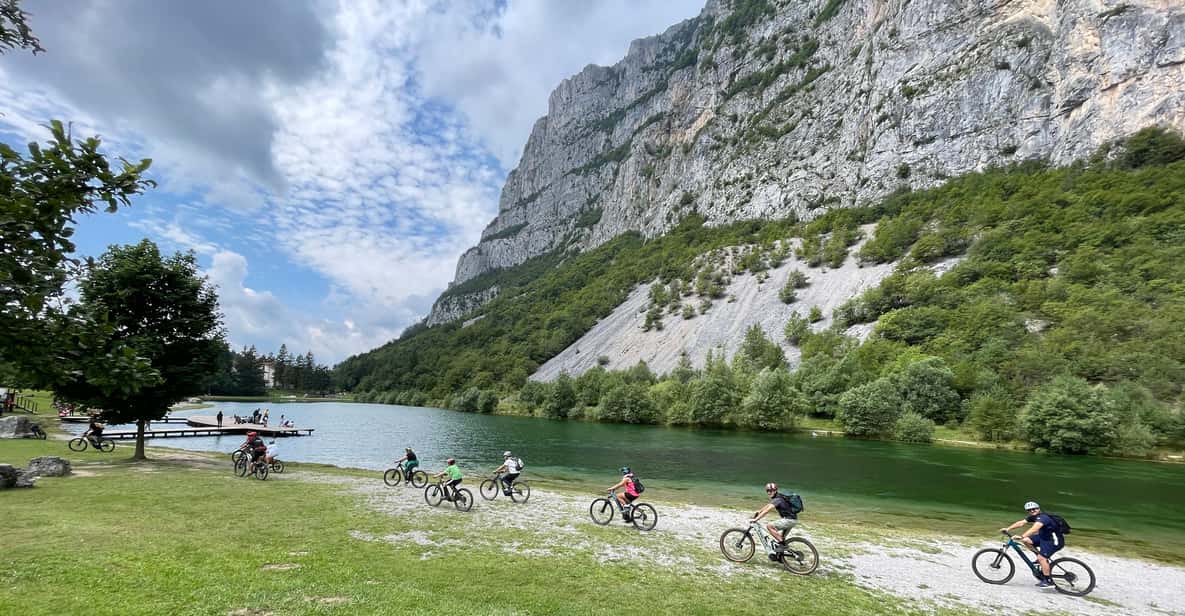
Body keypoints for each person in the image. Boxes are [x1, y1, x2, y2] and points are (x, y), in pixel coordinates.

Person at [1002, 501, 1063, 589]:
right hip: (1044, 538)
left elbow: (1034, 529)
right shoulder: (1034, 516)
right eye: (1029, 510)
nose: (1032, 511)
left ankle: (1048, 581)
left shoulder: (1043, 518)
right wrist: (1008, 529)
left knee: (1042, 558)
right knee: (1026, 540)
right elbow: (1021, 523)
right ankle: (1040, 558)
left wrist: (1021, 536)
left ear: (1038, 508)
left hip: (1054, 541)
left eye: (1034, 509)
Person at [752, 483, 800, 555]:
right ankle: (781, 556)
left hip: (789, 520)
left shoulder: (778, 499)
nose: (769, 492)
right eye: (767, 491)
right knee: (781, 538)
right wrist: (759, 511)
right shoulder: (778, 497)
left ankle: (783, 546)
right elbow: (768, 505)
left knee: (769, 526)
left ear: (775, 490)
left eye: (771, 490)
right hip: (793, 520)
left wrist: (756, 519)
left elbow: (767, 510)